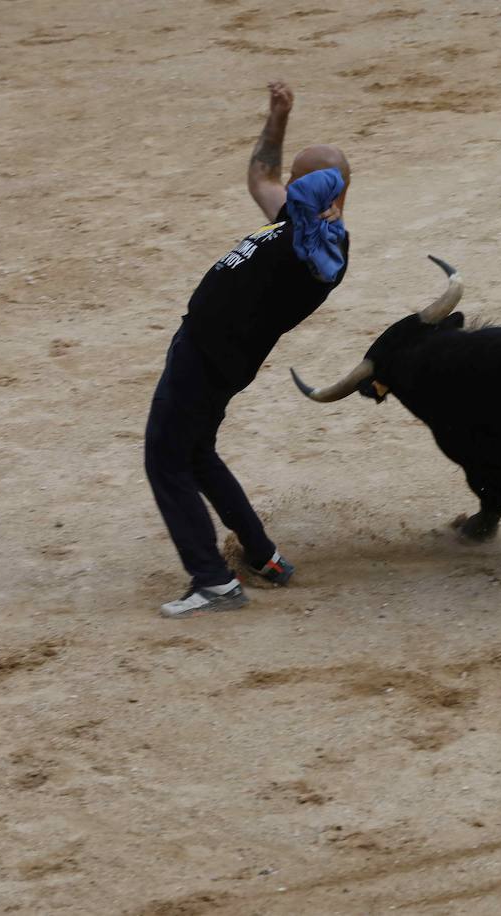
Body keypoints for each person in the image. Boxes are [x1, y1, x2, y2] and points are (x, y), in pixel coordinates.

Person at [145, 80, 352, 618]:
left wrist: (323, 199)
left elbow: (309, 218)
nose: (288, 186)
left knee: (165, 459)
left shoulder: (321, 248)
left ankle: (213, 582)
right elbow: (262, 174)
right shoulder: (296, 219)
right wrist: (278, 117)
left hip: (209, 358)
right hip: (206, 350)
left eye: (303, 181)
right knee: (196, 454)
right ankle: (264, 556)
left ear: (325, 193)